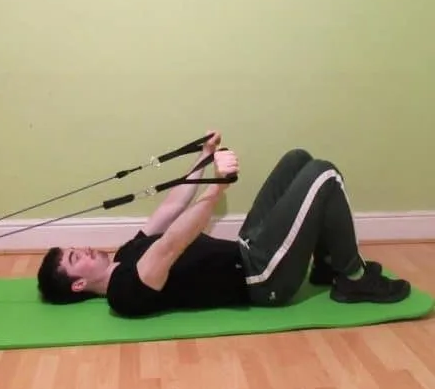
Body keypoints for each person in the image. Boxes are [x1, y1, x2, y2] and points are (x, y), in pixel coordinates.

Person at [37, 131, 411, 317]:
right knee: (323, 175)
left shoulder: (125, 253)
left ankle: (328, 266)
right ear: (80, 284)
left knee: (299, 160)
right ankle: (354, 279)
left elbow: (171, 207)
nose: (82, 249)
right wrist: (214, 191)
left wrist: (204, 157)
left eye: (74, 248)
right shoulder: (124, 292)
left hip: (248, 247)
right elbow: (173, 243)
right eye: (74, 259)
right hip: (262, 278)